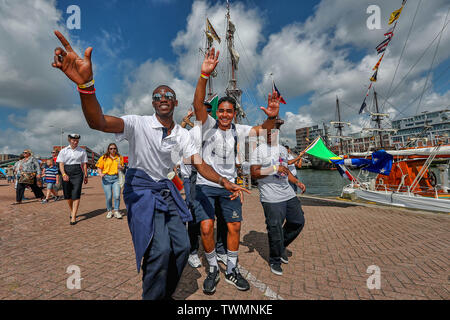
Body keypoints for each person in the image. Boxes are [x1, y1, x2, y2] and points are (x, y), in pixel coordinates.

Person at [51, 30, 249, 300]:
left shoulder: (181, 134)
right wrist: (87, 88)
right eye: (158, 96)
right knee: (159, 251)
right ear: (153, 103)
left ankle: (162, 293)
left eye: (168, 94)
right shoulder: (137, 123)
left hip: (165, 191)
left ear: (176, 103)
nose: (163, 97)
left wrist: (224, 181)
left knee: (180, 248)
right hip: (141, 189)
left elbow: (200, 165)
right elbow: (97, 121)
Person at [192, 48, 281, 294]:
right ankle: (212, 268)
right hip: (206, 185)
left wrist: (273, 117)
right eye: (221, 110)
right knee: (207, 228)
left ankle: (231, 268)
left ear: (233, 114)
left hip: (230, 186)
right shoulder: (207, 125)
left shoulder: (239, 130)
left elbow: (263, 130)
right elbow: (198, 103)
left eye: (229, 111)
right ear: (216, 112)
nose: (224, 115)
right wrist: (203, 75)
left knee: (234, 227)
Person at [250, 121, 306, 276]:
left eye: (273, 131)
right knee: (275, 228)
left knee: (298, 221)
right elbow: (254, 173)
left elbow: (285, 169)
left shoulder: (282, 149)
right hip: (270, 196)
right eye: (267, 132)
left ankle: (280, 246)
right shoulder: (258, 150)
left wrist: (297, 182)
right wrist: (273, 168)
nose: (270, 134)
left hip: (287, 192)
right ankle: (275, 259)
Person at [56, 134, 89, 225]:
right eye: (73, 140)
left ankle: (73, 216)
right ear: (69, 140)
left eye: (77, 140)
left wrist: (85, 175)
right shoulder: (63, 151)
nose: (75, 142)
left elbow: (84, 164)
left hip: (78, 172)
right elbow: (61, 164)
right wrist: (63, 174)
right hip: (66, 171)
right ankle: (72, 211)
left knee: (76, 193)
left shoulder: (82, 151)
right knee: (68, 195)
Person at [96, 143, 124, 219]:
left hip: (116, 178)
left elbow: (122, 167)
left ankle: (116, 211)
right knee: (109, 197)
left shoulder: (119, 157)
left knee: (117, 195)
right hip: (106, 178)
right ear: (108, 149)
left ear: (116, 149)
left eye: (114, 148)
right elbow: (99, 167)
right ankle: (109, 211)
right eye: (111, 148)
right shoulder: (104, 157)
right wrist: (100, 174)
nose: (112, 150)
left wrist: (121, 167)